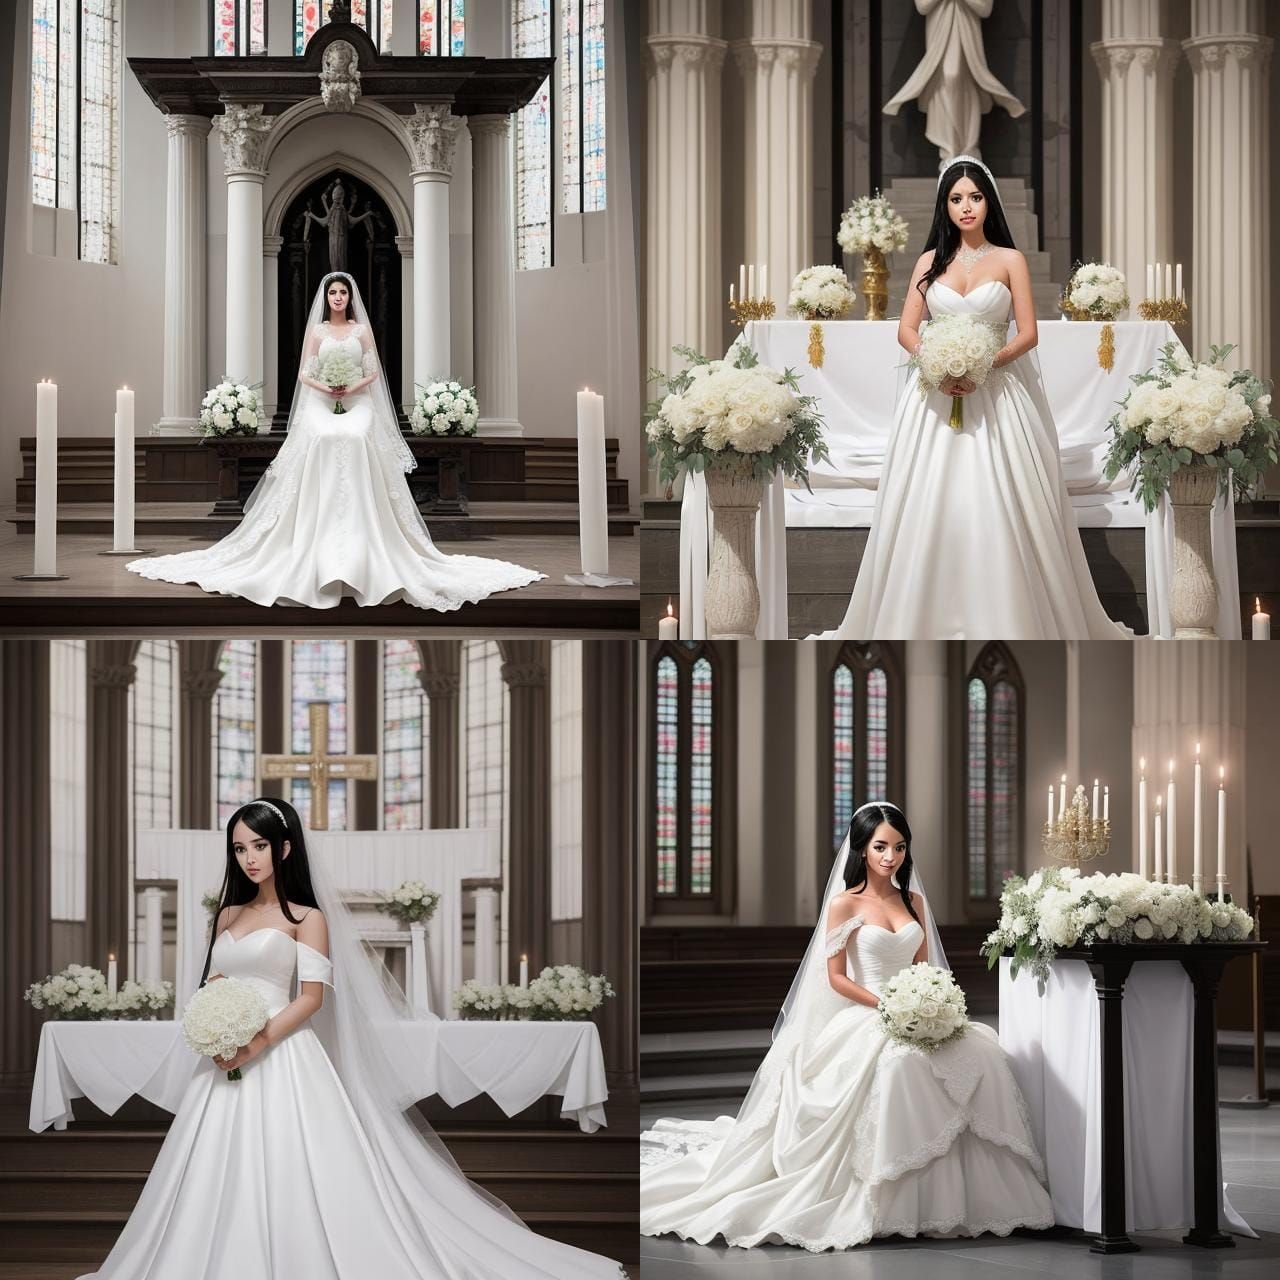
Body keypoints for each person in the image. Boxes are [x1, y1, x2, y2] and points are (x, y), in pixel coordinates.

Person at [78, 798, 624, 1279]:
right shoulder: (226, 914)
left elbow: (310, 998)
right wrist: (215, 1032)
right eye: (240, 846)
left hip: (282, 1053)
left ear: (285, 848)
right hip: (221, 1059)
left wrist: (257, 1043)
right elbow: (214, 983)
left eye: (260, 845)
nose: (249, 857)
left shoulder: (307, 917)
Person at [640, 801, 1054, 1252]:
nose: (890, 857)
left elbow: (927, 967)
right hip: (869, 1010)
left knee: (986, 1056)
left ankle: (979, 1197)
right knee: (900, 1067)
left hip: (920, 1007)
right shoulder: (844, 903)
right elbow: (836, 977)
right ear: (861, 848)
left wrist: (935, 1002)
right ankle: (891, 1199)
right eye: (880, 847)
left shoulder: (913, 901)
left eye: (898, 847)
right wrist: (887, 1005)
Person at [811, 157, 1132, 639]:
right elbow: (905, 328)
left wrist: (984, 365)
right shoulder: (928, 261)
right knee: (930, 500)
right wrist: (936, 364)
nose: (966, 207)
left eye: (975, 198)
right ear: (945, 205)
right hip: (935, 396)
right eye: (957, 198)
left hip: (999, 395)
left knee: (1000, 501)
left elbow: (1029, 333)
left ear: (989, 203)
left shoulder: (1009, 259)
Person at [127, 274, 544, 610]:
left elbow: (374, 372)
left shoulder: (362, 331)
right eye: (334, 292)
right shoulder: (318, 330)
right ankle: (316, 535)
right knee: (326, 434)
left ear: (350, 296)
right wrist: (326, 388)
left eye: (344, 291)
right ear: (326, 297)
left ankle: (365, 540)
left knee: (357, 433)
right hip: (321, 400)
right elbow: (305, 373)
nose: (339, 297)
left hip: (357, 399)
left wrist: (350, 387)